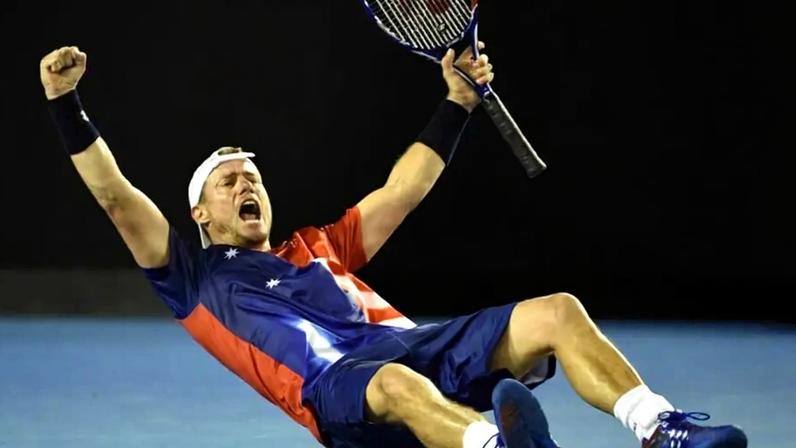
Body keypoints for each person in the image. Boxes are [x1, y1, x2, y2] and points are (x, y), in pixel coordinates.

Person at [40, 43, 747, 448]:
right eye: (227, 182)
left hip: (419, 349)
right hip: (340, 394)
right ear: (201, 210)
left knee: (557, 311)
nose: (244, 185)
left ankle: (662, 429)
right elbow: (114, 194)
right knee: (394, 383)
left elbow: (402, 189)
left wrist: (458, 105)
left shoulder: (319, 246)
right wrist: (65, 105)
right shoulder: (189, 276)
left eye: (251, 176)